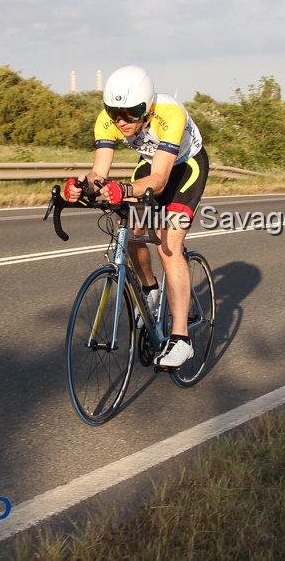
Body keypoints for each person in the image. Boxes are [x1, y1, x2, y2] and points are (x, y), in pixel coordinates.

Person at [63, 65, 208, 368]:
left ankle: (181, 339)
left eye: (130, 113)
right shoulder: (109, 120)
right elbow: (98, 174)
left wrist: (124, 188)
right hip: (149, 165)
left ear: (146, 106)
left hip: (184, 167)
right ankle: (151, 289)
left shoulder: (169, 114)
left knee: (169, 246)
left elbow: (160, 179)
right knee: (128, 230)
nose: (121, 121)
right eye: (115, 113)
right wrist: (79, 186)